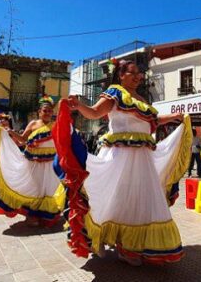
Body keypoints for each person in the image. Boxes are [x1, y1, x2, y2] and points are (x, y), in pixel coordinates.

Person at [58, 59, 190, 266]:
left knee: (137, 197)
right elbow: (95, 113)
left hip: (142, 158)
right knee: (111, 195)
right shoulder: (115, 93)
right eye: (133, 72)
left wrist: (174, 117)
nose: (138, 76)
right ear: (121, 75)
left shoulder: (141, 98)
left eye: (140, 73)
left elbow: (152, 121)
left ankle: (131, 245)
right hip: (120, 156)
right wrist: (79, 106)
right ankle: (107, 239)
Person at [0, 99, 65, 227]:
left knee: (50, 189)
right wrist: (10, 132)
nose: (48, 113)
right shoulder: (33, 124)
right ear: (39, 112)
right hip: (34, 163)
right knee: (34, 188)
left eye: (50, 111)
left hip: (50, 164)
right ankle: (32, 215)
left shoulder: (56, 125)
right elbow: (22, 140)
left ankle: (48, 216)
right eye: (45, 111)